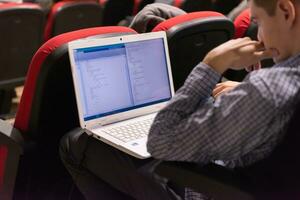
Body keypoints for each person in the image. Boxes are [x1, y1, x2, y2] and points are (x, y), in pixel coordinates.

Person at [60, 0, 300, 199]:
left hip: (209, 188)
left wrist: (212, 64)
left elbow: (159, 141)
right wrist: (244, 91)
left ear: (286, 12)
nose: (258, 35)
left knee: (74, 143)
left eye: (258, 21)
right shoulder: (275, 86)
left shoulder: (267, 90)